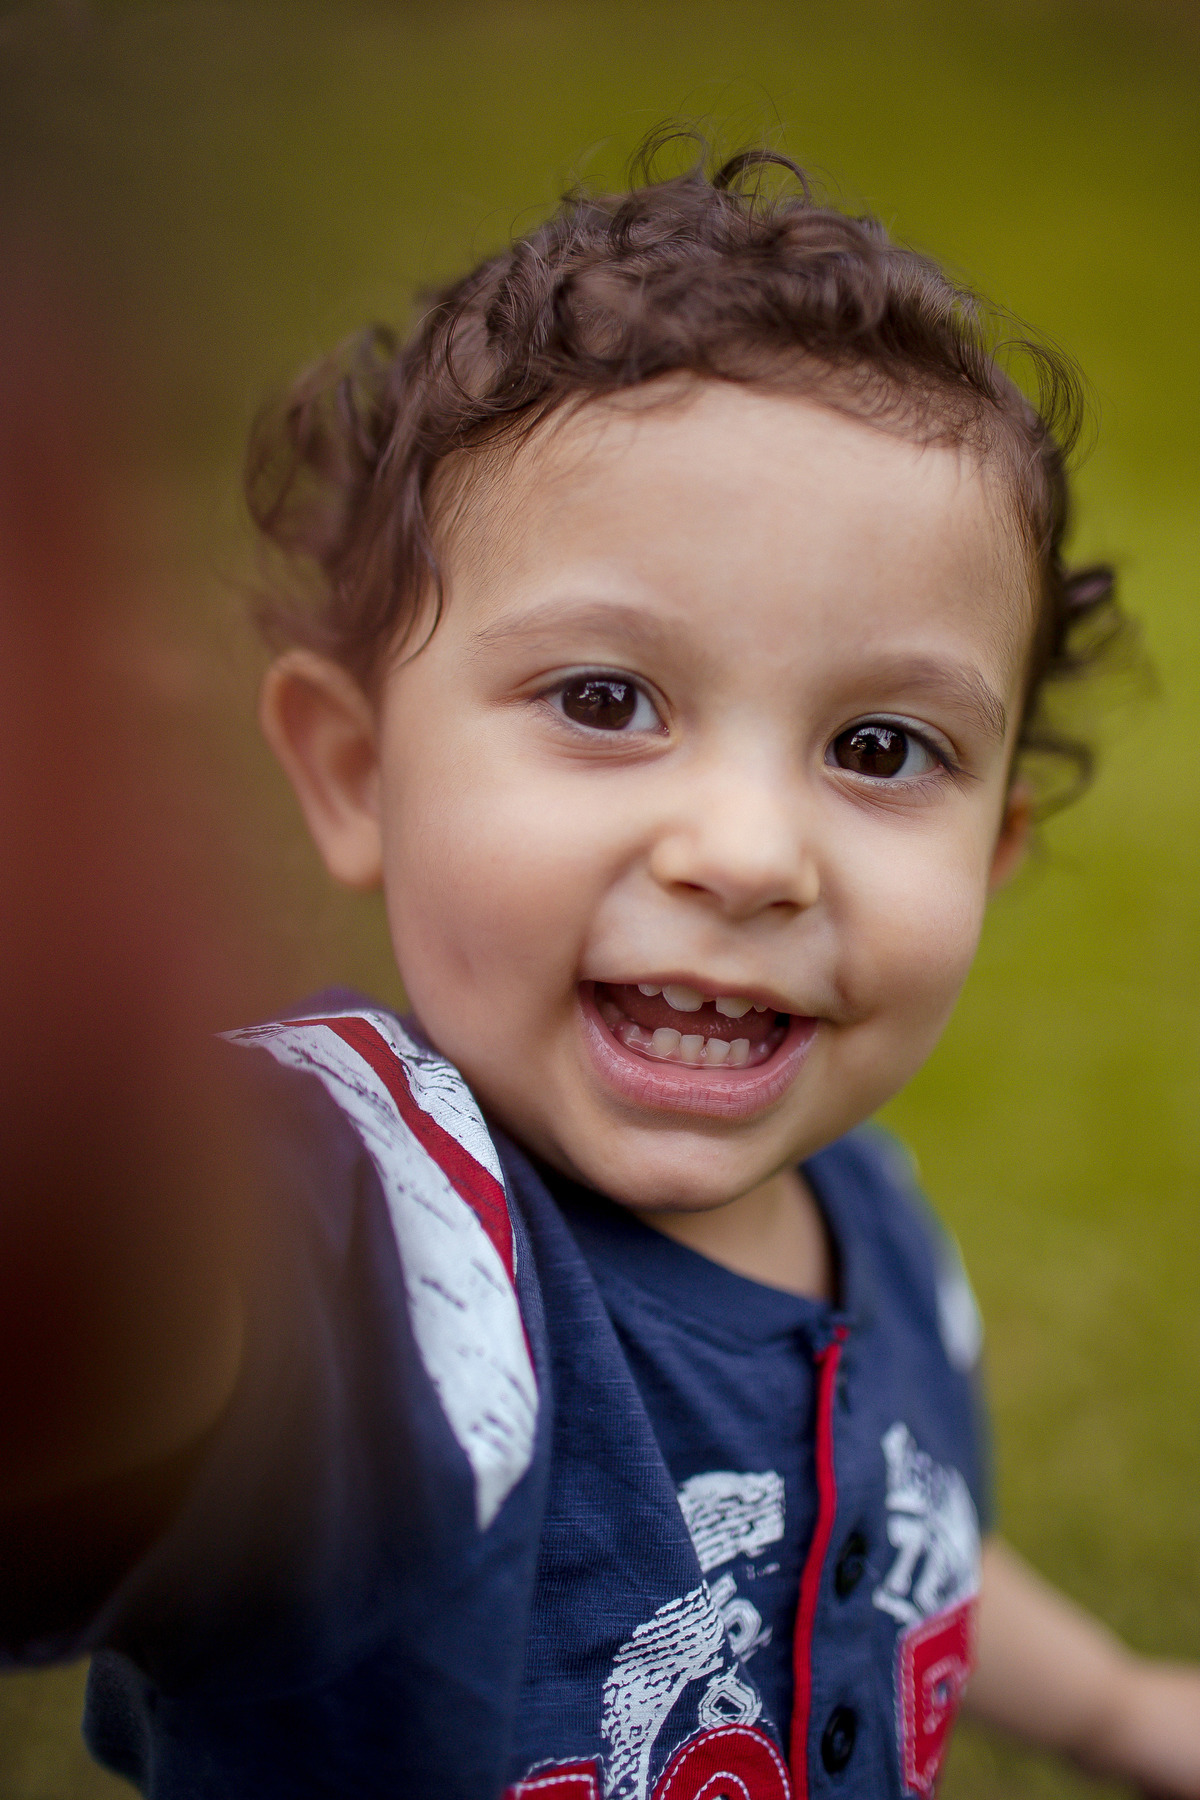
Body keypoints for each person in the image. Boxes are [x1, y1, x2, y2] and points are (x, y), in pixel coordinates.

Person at [3, 143, 1199, 1800]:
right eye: (604, 701)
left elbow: (896, 1540)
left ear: (992, 851)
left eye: (878, 745)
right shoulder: (363, 1249)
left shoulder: (876, 1228)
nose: (750, 852)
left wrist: (1118, 1705)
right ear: (357, 773)